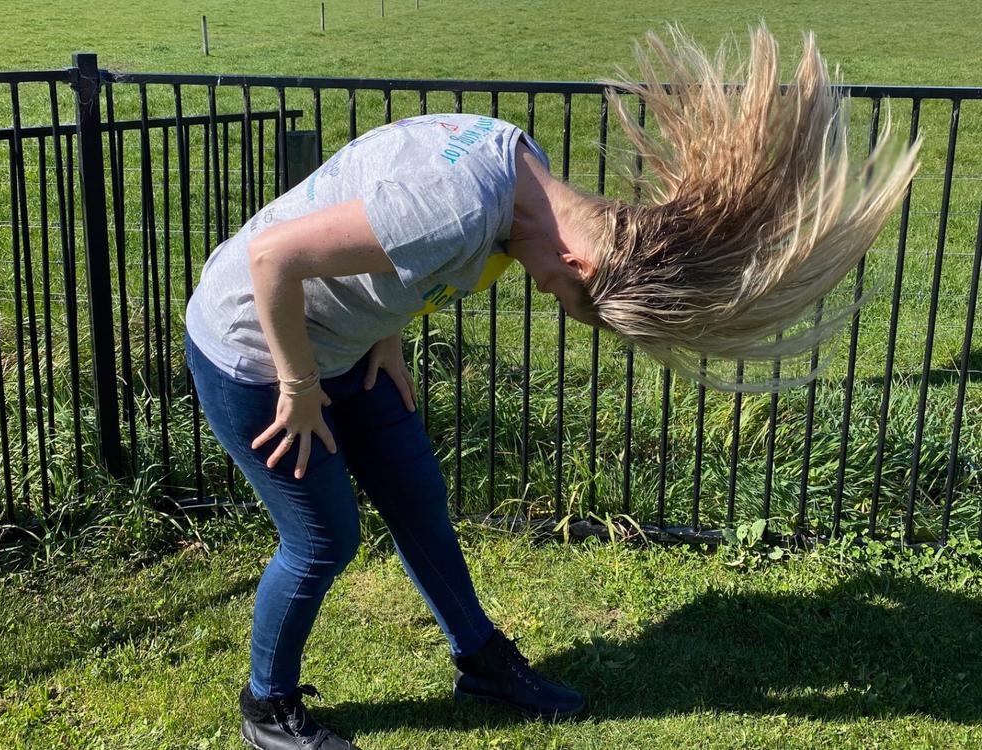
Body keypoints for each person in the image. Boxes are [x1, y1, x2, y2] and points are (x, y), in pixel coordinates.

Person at [183, 24, 917, 750]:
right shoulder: (456, 211)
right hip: (256, 348)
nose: (548, 295)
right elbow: (273, 257)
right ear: (581, 264)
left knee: (418, 497)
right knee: (323, 540)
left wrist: (385, 331)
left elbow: (371, 207)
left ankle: (481, 662)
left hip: (346, 348)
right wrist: (298, 385)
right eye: (568, 300)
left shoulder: (518, 171)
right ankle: (266, 705)